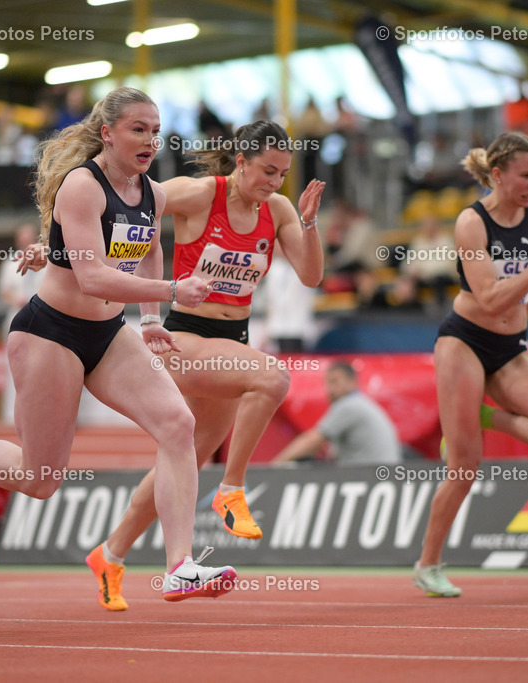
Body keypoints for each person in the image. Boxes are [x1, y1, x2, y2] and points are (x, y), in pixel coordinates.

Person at [0, 86, 237, 603]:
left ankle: (180, 566)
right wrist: (171, 293)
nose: (150, 140)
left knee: (178, 424)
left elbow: (148, 248)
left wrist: (150, 321)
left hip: (107, 336)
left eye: (155, 130)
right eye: (138, 130)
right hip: (49, 334)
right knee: (41, 479)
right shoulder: (82, 186)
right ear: (108, 133)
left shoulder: (153, 191)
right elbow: (93, 279)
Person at [88, 120, 325, 610]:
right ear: (240, 161)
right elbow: (126, 203)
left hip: (231, 340)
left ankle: (109, 555)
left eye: (282, 175)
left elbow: (311, 275)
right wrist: (60, 250)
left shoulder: (277, 209)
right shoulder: (198, 195)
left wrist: (307, 223)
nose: (273, 183)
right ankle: (232, 489)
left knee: (182, 463)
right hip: (185, 338)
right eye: (266, 171)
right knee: (272, 376)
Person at [415, 132, 528, 598]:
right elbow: (488, 298)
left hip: (510, 348)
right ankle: (428, 564)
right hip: (464, 341)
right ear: (499, 174)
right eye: (526, 175)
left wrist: (524, 319)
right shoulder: (472, 222)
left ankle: (487, 415)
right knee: (465, 465)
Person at [273, 361, 401, 466]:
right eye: (327, 383)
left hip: (368, 479)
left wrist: (274, 466)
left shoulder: (349, 405)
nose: (329, 389)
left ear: (352, 383)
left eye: (335, 382)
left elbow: (312, 440)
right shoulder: (362, 404)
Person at [0, 222, 44, 424]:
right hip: (17, 317)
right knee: (14, 366)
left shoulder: (47, 260)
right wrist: (18, 300)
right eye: (22, 237)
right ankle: (12, 415)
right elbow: (4, 291)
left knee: (42, 366)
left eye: (29, 236)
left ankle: (42, 412)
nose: (26, 240)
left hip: (42, 319)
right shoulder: (9, 263)